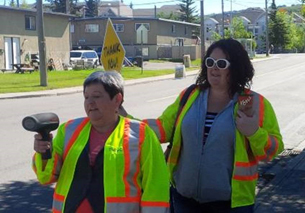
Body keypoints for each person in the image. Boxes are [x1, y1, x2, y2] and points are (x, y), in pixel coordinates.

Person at [123, 38, 284, 212]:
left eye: (221, 63)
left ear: (236, 67)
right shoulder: (190, 96)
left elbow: (273, 151)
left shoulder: (255, 103)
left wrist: (253, 132)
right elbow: (163, 128)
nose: (214, 68)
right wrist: (126, 120)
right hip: (184, 200)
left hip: (232, 205)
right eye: (210, 62)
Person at [32, 71, 170, 213]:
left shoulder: (142, 134)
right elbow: (46, 177)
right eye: (86, 97)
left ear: (117, 99)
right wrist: (43, 153)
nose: (90, 102)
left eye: (97, 96)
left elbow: (156, 187)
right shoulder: (68, 130)